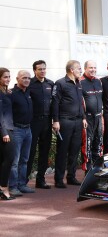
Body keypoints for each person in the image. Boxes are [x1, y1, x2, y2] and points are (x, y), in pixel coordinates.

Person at [52, 60, 87, 188]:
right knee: (62, 151)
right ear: (72, 70)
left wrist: (83, 117)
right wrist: (55, 121)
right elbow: (55, 103)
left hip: (78, 122)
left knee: (74, 150)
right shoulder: (60, 83)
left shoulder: (79, 83)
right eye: (79, 69)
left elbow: (80, 102)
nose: (81, 71)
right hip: (65, 121)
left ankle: (71, 177)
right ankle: (59, 179)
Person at [27, 60, 54, 189]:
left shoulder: (50, 84)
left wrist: (55, 120)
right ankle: (24, 181)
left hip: (47, 122)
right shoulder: (29, 84)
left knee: (44, 151)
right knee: (30, 152)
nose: (42, 71)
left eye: (44, 69)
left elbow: (54, 103)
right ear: (34, 71)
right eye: (39, 69)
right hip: (33, 122)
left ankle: (40, 180)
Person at [9, 70, 34, 196]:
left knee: (24, 159)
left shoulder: (28, 92)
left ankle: (22, 184)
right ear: (17, 78)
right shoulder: (11, 94)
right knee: (15, 160)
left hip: (28, 130)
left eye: (29, 78)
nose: (27, 80)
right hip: (16, 130)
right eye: (24, 78)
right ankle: (12, 187)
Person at [80, 60, 103, 172]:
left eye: (94, 67)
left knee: (98, 142)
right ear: (85, 68)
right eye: (90, 67)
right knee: (88, 143)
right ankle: (88, 169)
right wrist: (83, 117)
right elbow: (79, 102)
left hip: (99, 117)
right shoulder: (80, 82)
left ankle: (98, 167)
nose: (93, 69)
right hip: (87, 118)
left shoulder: (99, 81)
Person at [0, 68, 16, 200]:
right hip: (4, 131)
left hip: (9, 128)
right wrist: (4, 132)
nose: (8, 79)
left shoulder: (6, 92)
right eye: (5, 77)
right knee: (9, 158)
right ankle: (3, 187)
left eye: (9, 77)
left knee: (4, 159)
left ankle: (2, 186)